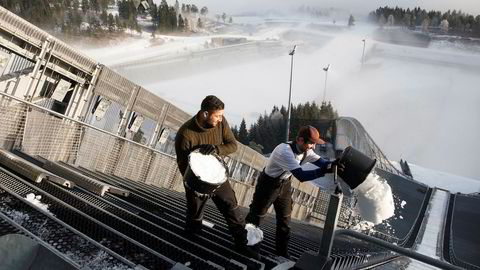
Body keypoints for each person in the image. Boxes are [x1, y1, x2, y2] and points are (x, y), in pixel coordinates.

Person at [175, 95, 259, 259]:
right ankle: (191, 246)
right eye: (217, 115)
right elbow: (183, 165)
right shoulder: (186, 134)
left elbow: (232, 145)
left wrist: (216, 149)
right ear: (205, 114)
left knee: (232, 208)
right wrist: (196, 186)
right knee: (195, 214)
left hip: (217, 174)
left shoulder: (221, 123)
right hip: (196, 181)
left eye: (221, 115)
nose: (221, 119)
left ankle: (241, 244)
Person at [245, 125, 339, 258]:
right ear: (300, 140)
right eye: (311, 143)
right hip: (268, 184)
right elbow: (301, 176)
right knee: (257, 216)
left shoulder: (307, 151)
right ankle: (249, 247)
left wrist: (335, 164)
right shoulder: (284, 151)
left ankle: (281, 252)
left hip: (285, 184)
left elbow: (323, 163)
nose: (313, 147)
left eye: (314, 143)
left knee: (285, 220)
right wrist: (324, 171)